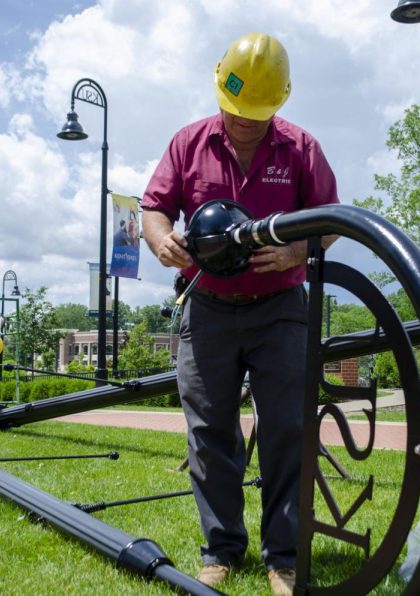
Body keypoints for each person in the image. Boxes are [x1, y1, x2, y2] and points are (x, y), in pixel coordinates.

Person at [141, 32, 340, 595]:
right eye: (236, 111)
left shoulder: (302, 149)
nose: (244, 122)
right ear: (220, 91)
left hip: (280, 309)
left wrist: (301, 248)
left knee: (287, 429)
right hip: (206, 308)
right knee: (209, 432)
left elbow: (330, 219)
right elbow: (153, 207)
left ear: (280, 101)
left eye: (257, 113)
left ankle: (284, 556)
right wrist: (160, 241)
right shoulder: (189, 143)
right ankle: (222, 546)